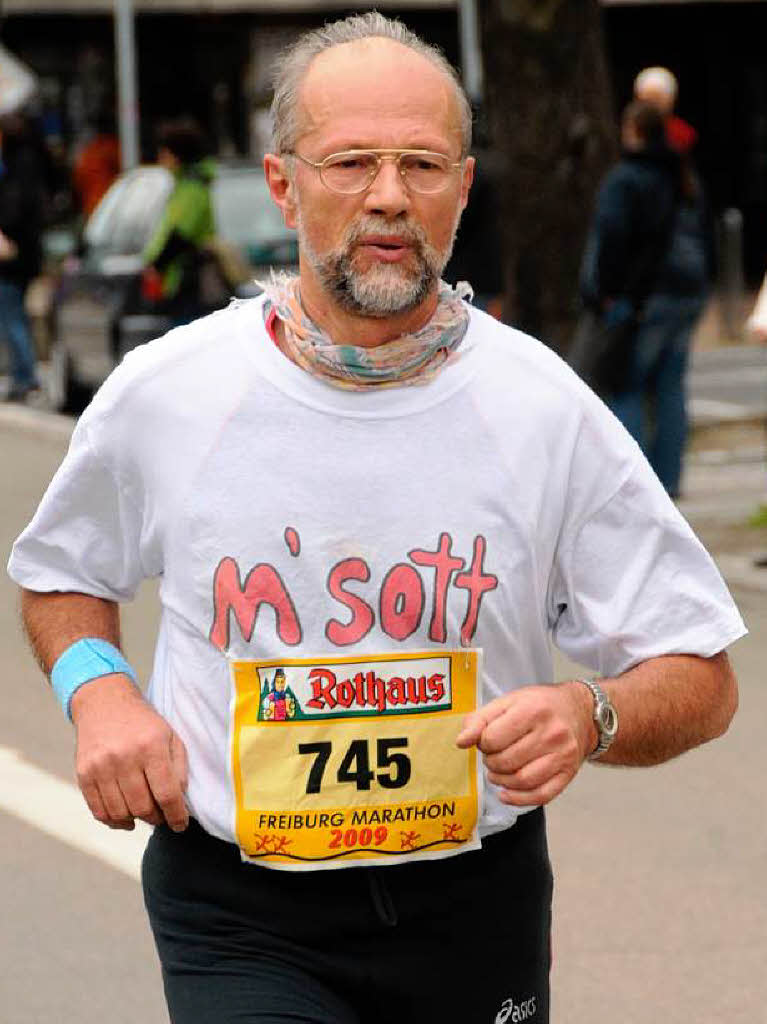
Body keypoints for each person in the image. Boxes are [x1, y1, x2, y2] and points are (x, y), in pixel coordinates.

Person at [8, 14, 744, 1024]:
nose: (389, 195)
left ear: (463, 186)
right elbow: (61, 572)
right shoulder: (173, 391)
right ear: (283, 184)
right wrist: (103, 696)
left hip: (471, 903)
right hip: (239, 907)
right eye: (350, 161)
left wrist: (589, 714)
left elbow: (699, 672)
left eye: (422, 163)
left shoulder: (539, 405)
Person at [577, 100, 711, 498]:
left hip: (642, 295)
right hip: (686, 294)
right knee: (670, 387)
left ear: (633, 129)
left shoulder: (627, 177)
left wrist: (607, 294)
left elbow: (614, 237)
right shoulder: (683, 177)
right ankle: (670, 478)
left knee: (626, 386)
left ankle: (637, 485)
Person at [141, 116, 216, 325]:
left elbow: (181, 235)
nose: (160, 158)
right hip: (181, 281)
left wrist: (157, 265)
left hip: (189, 281)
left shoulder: (192, 189)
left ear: (177, 155)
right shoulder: (185, 185)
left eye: (164, 153)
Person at [0, 113, 45, 402]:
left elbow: (14, 213)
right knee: (12, 314)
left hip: (13, 258)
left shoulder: (18, 170)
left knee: (12, 315)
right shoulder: (25, 166)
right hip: (23, 256)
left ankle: (25, 376)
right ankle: (22, 375)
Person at [634, 66, 698, 156]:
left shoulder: (683, 134)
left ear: (671, 100)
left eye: (657, 99)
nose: (652, 105)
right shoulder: (632, 132)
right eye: (647, 99)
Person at [72, 113, 121, 218]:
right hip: (108, 206)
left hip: (91, 207)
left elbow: (78, 179)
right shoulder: (111, 147)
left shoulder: (88, 152)